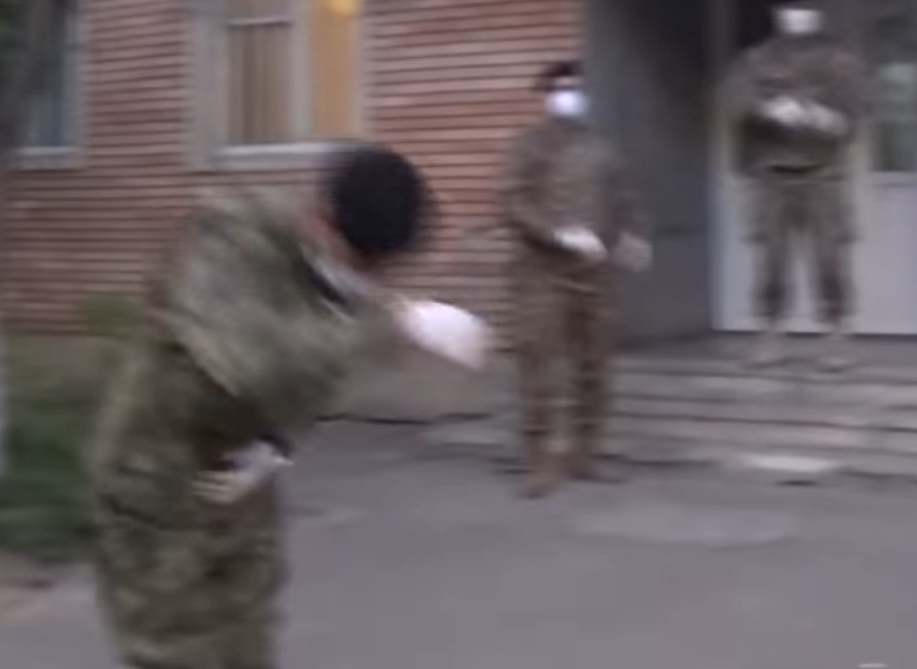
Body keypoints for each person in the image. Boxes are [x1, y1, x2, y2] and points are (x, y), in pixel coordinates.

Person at [87, 142, 489, 669]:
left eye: (381, 269)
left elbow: (313, 377)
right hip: (159, 484)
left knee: (250, 643)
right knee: (177, 653)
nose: (370, 280)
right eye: (362, 262)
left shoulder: (341, 275)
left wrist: (278, 443)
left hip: (242, 485)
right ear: (321, 217)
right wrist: (391, 325)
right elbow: (250, 361)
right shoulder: (228, 235)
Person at [500, 59, 651, 500]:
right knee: (541, 369)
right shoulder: (530, 146)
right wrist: (557, 233)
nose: (568, 96)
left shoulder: (603, 148)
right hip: (543, 275)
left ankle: (588, 453)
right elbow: (513, 201)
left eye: (575, 88)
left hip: (597, 275)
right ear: (547, 96)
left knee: (596, 368)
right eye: (560, 89)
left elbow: (626, 198)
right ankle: (541, 459)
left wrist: (633, 236)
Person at [723, 0, 866, 371]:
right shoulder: (756, 59)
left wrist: (822, 117)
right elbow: (734, 104)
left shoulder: (840, 59)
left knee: (829, 258)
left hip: (824, 174)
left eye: (805, 8)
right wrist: (767, 109)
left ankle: (836, 334)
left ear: (818, 13)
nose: (797, 15)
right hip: (772, 174)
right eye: (790, 8)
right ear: (777, 13)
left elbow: (854, 116)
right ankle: (769, 333)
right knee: (771, 260)